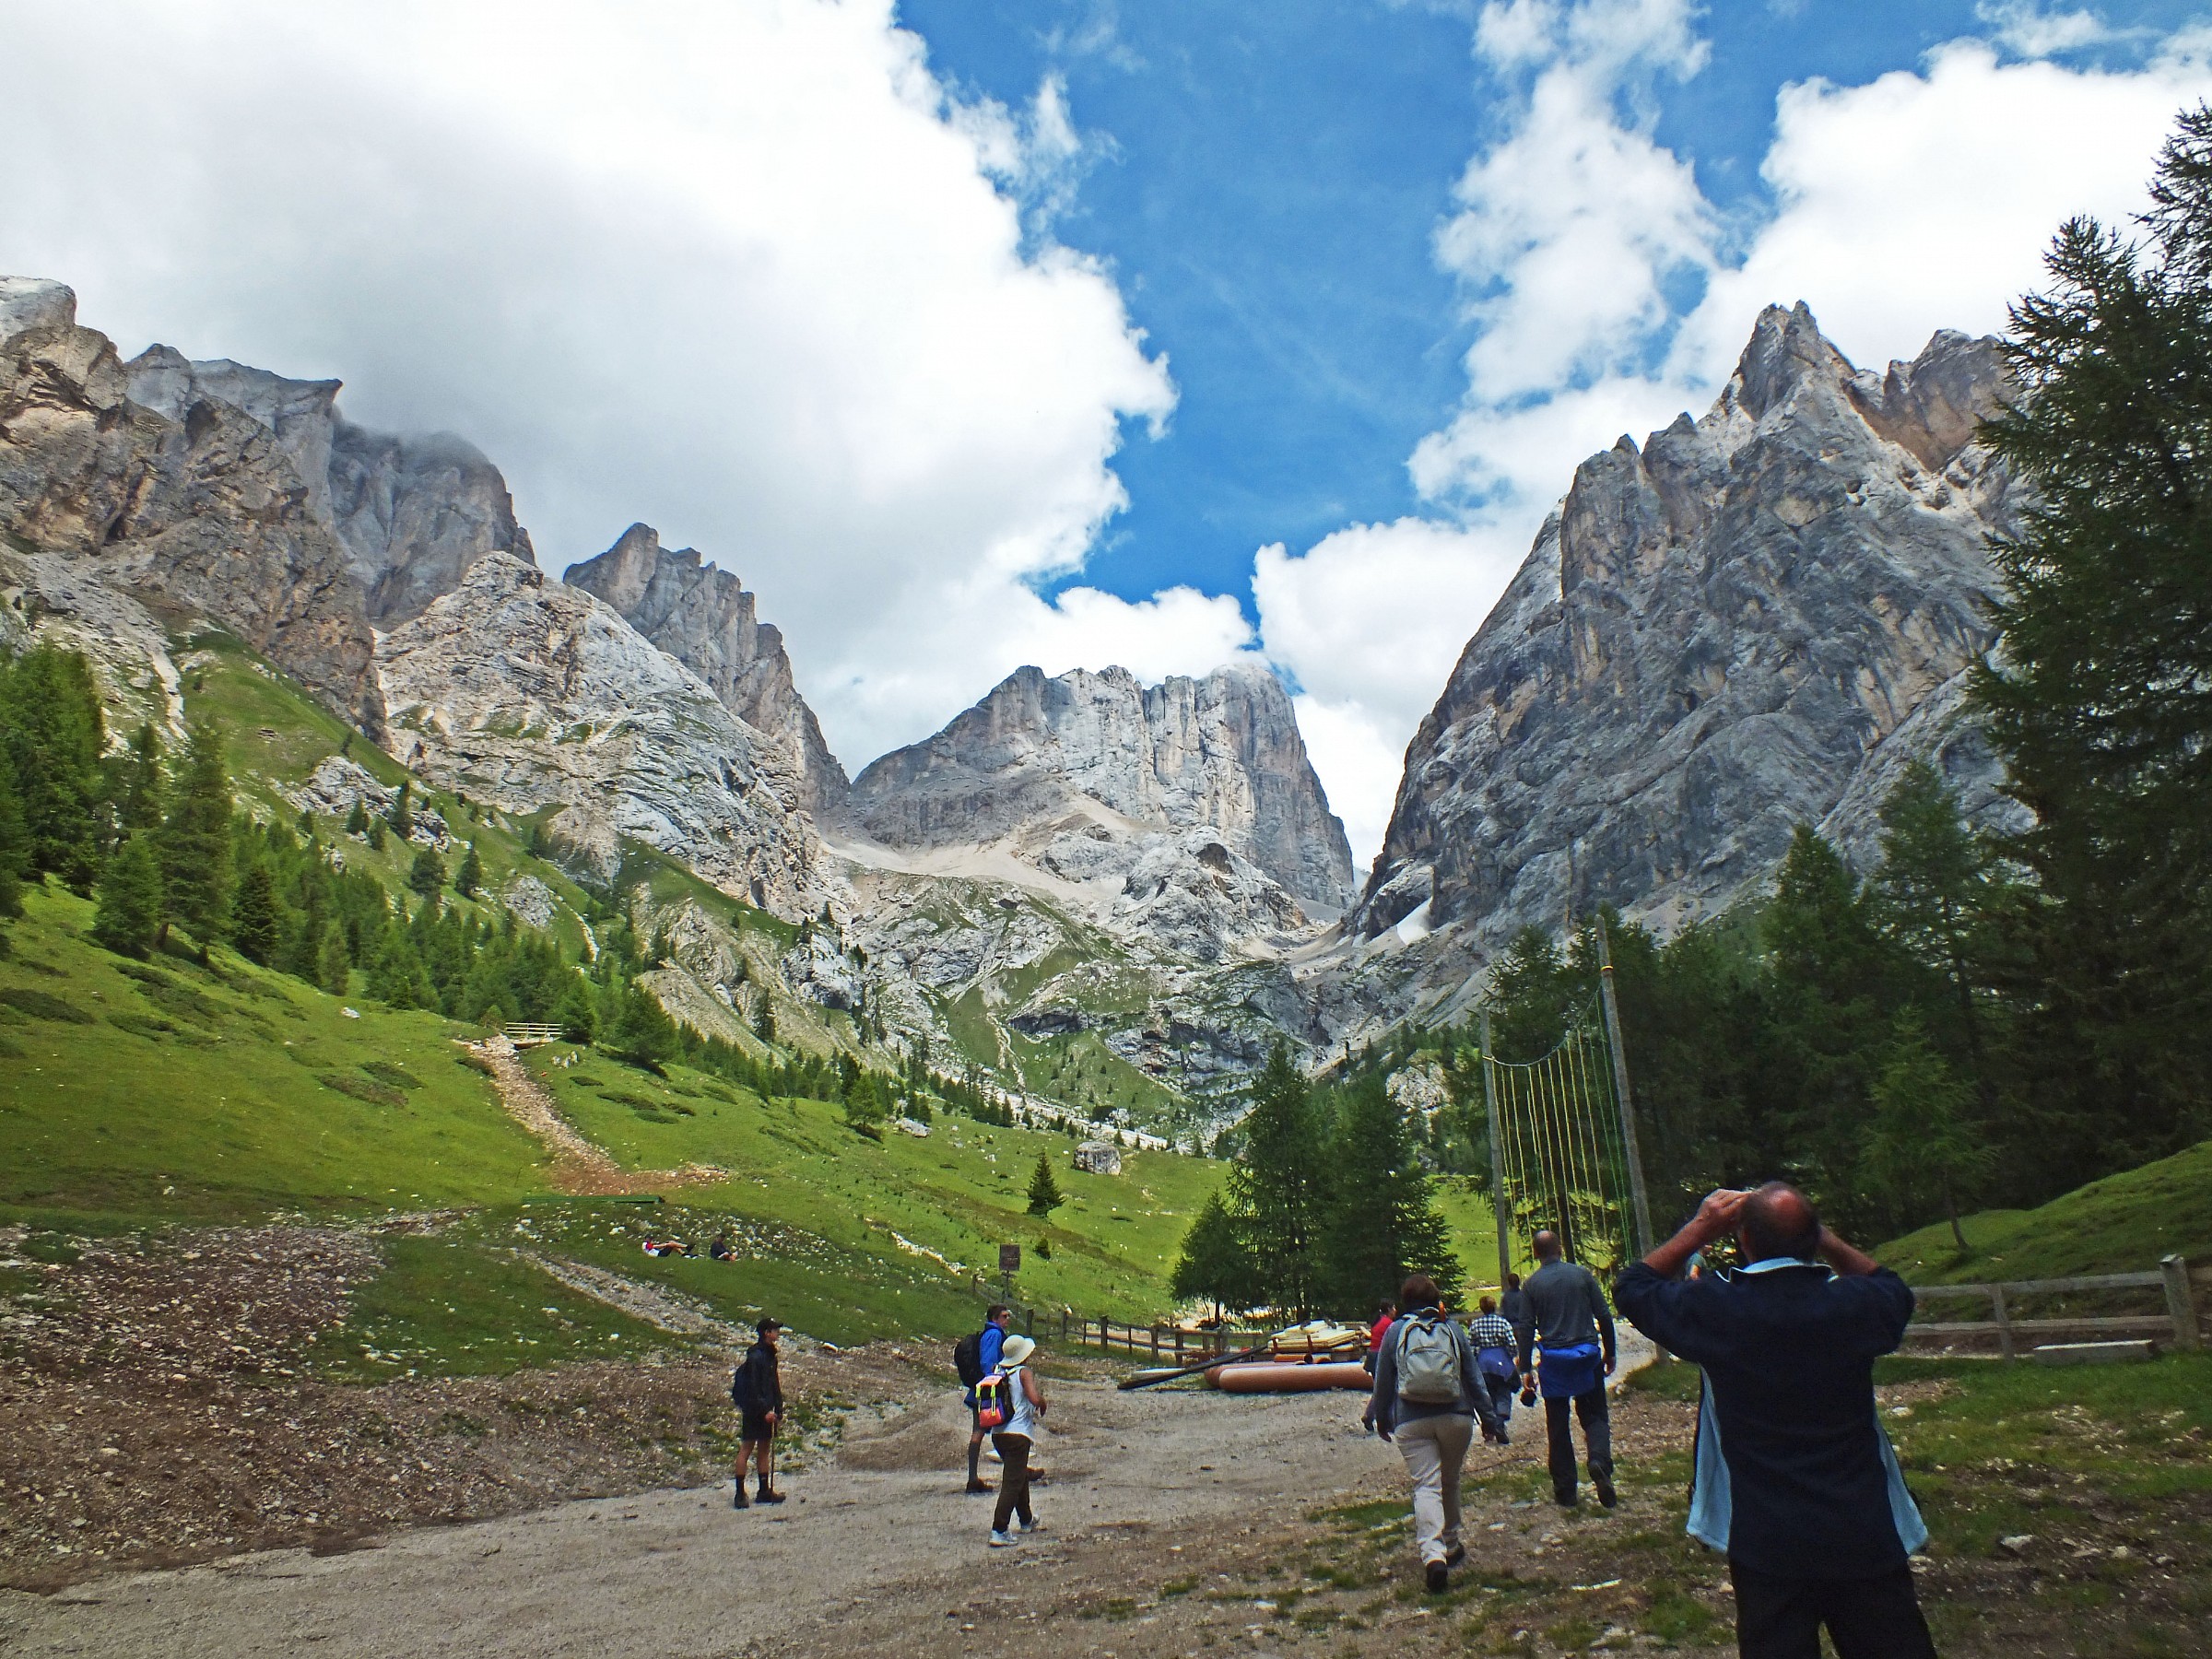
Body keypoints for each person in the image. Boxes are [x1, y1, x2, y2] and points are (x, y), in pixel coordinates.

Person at [1614, 1184, 1935, 1659]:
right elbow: (1892, 1286)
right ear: (1812, 1238)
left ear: (1743, 1240)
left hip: (1765, 1534)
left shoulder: (1717, 1309)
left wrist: (1701, 1228)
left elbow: (1633, 1287)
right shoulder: (1854, 1305)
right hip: (1862, 1524)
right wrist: (1819, 1236)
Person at [1367, 1275, 1503, 1593]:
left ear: (1404, 1302)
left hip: (1411, 1421)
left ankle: (1433, 1555)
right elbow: (1473, 1377)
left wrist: (1380, 1417)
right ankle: (1452, 1543)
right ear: (1436, 1300)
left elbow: (1383, 1381)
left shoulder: (1395, 1331)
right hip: (1456, 1418)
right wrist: (1490, 1419)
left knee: (1426, 1485)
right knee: (1449, 1479)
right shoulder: (1453, 1330)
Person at [1517, 1230, 1618, 1509]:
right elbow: (1604, 1315)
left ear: (1536, 1253)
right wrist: (1610, 1351)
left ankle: (1566, 1491)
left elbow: (1525, 1328)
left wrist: (1525, 1367)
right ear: (1560, 1248)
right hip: (1586, 1356)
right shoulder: (1582, 1275)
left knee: (1558, 1426)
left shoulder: (1531, 1285)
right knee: (1595, 1415)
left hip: (1554, 1362)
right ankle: (1599, 1461)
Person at [986, 1333, 1048, 1547]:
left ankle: (1026, 1519)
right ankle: (999, 1529)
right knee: (1012, 1482)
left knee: (1019, 1475)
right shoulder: (1023, 1372)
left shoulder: (998, 1371)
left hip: (998, 1433)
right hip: (1018, 1433)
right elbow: (1033, 1398)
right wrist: (1043, 1402)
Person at [729, 1316, 786, 1509]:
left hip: (766, 1409)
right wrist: (764, 1411)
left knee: (763, 1448)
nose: (777, 1333)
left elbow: (773, 1383)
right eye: (774, 1330)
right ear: (766, 1333)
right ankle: (740, 1493)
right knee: (747, 1448)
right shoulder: (756, 1357)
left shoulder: (769, 1356)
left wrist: (778, 1407)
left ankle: (763, 1490)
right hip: (755, 1410)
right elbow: (754, 1388)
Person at [959, 1304, 1014, 1494]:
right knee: (995, 1429)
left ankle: (973, 1478)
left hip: (982, 1389)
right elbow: (988, 1363)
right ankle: (1015, 1471)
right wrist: (996, 1381)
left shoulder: (990, 1333)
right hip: (989, 1391)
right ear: (995, 1318)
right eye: (1004, 1316)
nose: (1008, 1319)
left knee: (982, 1430)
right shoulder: (995, 1335)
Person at [1467, 1294, 1518, 1444]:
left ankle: (1491, 1425)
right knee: (1504, 1393)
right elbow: (1512, 1343)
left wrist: (1478, 1354)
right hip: (1501, 1361)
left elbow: (1470, 1345)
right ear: (1494, 1306)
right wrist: (1512, 1355)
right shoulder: (1502, 1322)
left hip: (1483, 1363)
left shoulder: (1476, 1324)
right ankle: (1499, 1423)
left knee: (1489, 1396)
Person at [1364, 1301, 1395, 1375]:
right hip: (1380, 1357)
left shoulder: (1377, 1321)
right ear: (1389, 1309)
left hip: (1372, 1357)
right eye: (1394, 1308)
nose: (1395, 1310)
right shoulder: (1389, 1324)